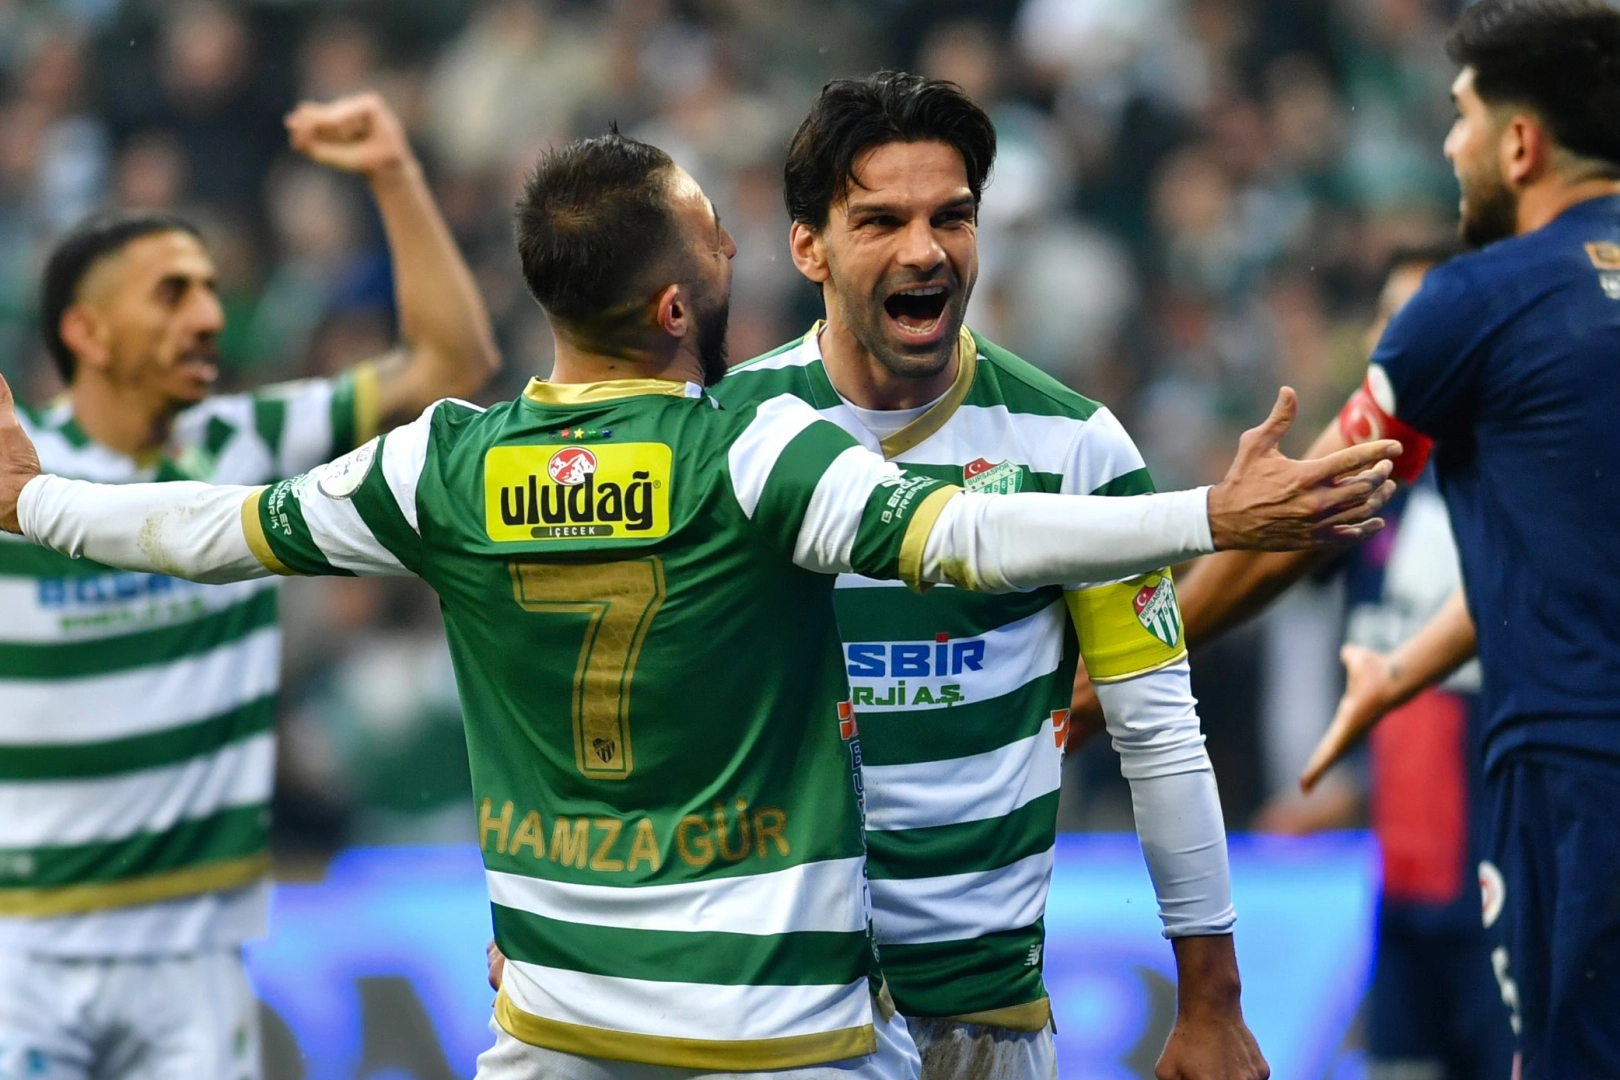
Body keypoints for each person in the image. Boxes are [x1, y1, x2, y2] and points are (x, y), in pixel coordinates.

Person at [0, 130, 1396, 1079]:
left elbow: (208, 531)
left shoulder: (442, 466)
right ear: (678, 306)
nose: (734, 245)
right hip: (777, 1037)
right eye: (713, 234)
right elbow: (969, 536)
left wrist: (34, 501)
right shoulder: (749, 449)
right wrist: (1211, 516)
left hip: (556, 1030)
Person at [712, 72, 1265, 1080]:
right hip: (777, 1015)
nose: (925, 249)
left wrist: (1212, 1002)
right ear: (807, 248)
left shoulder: (1076, 447)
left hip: (987, 1023)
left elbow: (1159, 734)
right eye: (881, 221)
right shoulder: (722, 434)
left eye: (952, 216)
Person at [1120, 2, 1620, 1075]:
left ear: (1520, 144)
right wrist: (1402, 669)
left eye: (1463, 117)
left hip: (1576, 774)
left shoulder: (1480, 298)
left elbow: (1307, 510)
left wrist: (1137, 655)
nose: (1448, 144)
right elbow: (1568, 556)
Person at [0, 92, 499, 1080]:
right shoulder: (17, 469)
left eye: (210, 290)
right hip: (28, 944)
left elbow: (454, 361)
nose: (209, 317)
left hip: (199, 946)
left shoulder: (247, 437)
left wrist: (393, 175)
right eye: (172, 294)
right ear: (87, 332)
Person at [1131, 245, 1515, 1080]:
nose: (1391, 339)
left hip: (1506, 895)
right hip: (1402, 895)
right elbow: (1273, 584)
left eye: (1413, 320)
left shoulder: (1523, 499)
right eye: (1384, 318)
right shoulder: (1376, 503)